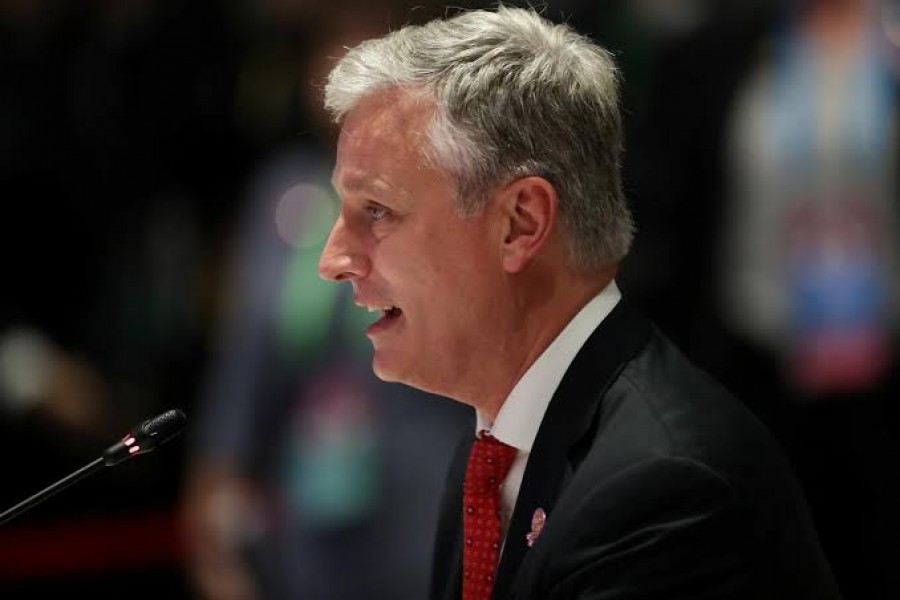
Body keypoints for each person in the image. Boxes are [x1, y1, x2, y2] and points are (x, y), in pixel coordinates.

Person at [316, 6, 842, 600]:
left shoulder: (662, 490)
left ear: (521, 222)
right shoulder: (495, 448)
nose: (333, 259)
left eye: (377, 211)